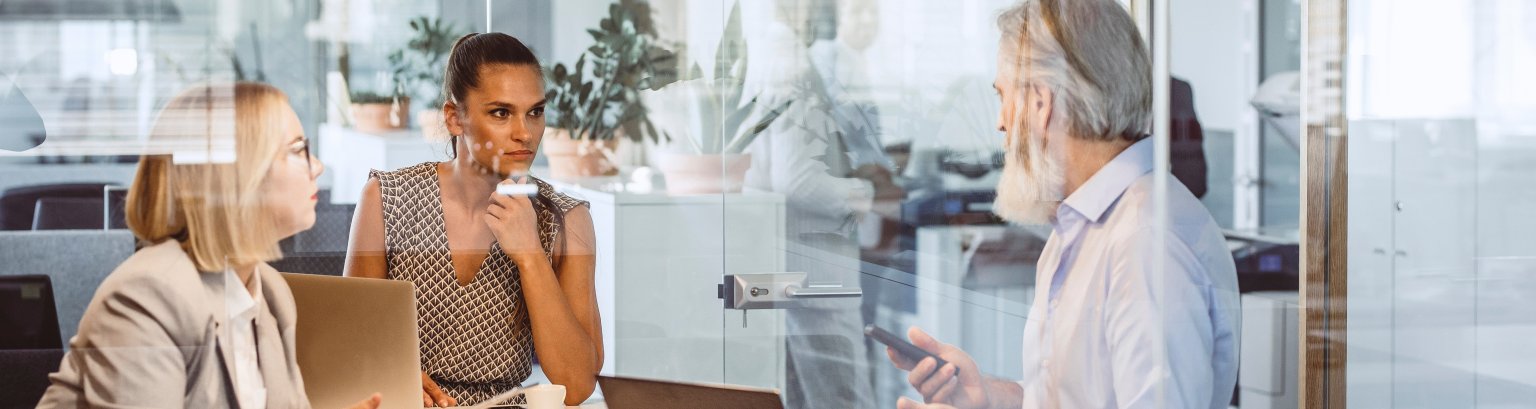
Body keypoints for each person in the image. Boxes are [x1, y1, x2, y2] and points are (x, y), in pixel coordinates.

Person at [885, 1, 1240, 408]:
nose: (1000, 122)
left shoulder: (1144, 243)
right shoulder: (1081, 228)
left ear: (1040, 102)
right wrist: (982, 396)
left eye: (1003, 96)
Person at [37, 82, 380, 409]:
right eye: (297, 150)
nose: (317, 166)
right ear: (238, 177)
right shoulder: (149, 294)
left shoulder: (269, 292)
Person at [344, 33, 601, 407]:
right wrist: (392, 376)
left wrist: (530, 257)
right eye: (501, 112)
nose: (524, 133)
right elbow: (351, 348)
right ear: (454, 118)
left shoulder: (565, 219)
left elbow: (577, 386)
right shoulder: (385, 199)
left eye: (535, 111)